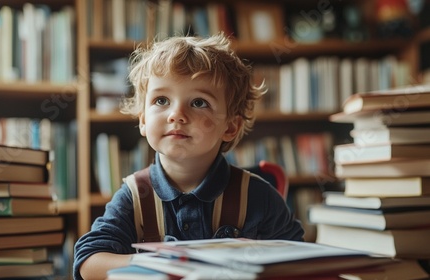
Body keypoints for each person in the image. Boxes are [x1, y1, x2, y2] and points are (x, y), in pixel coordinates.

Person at [73, 33, 304, 280]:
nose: (176, 114)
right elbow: (89, 262)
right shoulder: (135, 196)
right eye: (161, 100)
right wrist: (157, 264)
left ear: (230, 127)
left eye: (198, 102)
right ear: (143, 120)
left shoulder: (259, 196)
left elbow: (301, 263)